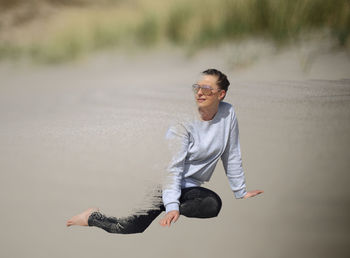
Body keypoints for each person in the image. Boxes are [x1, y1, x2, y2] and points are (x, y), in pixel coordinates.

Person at [66, 68, 263, 233]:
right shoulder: (183, 122)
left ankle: (172, 205)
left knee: (212, 205)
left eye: (206, 89)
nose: (199, 93)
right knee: (129, 227)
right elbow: (172, 168)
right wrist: (171, 206)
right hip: (162, 182)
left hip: (189, 186)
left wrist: (240, 190)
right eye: (197, 87)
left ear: (221, 94)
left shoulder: (228, 113)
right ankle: (92, 216)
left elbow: (232, 151)